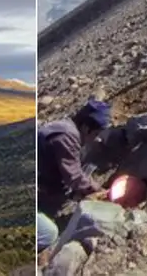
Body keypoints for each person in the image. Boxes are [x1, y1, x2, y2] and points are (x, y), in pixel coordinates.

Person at [36, 98, 112, 252]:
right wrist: (97, 190)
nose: (97, 138)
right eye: (96, 133)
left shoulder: (66, 128)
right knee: (49, 234)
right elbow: (74, 177)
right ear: (85, 127)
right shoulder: (67, 137)